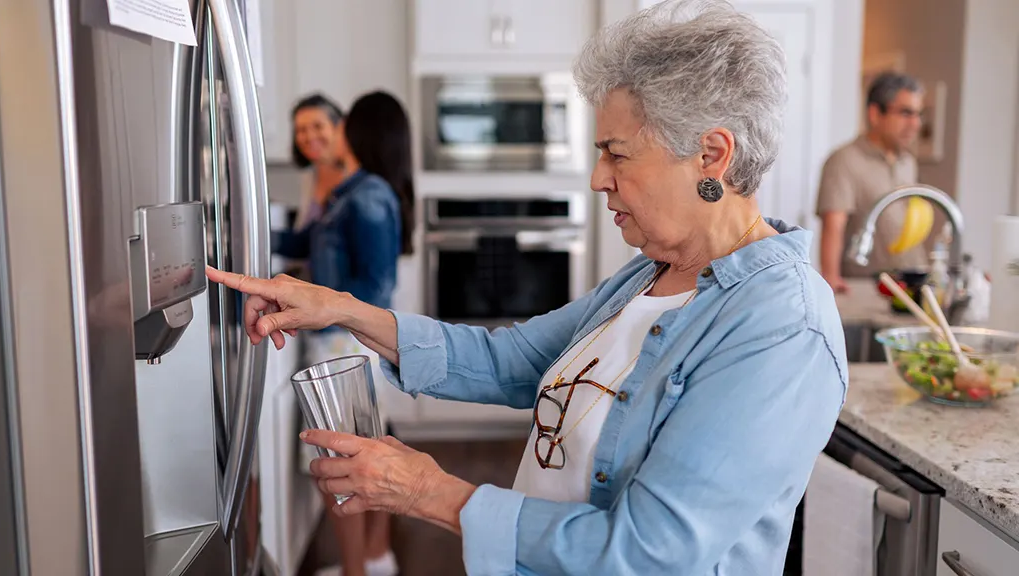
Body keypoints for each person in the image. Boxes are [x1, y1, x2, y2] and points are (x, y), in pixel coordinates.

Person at [210, 2, 846, 573]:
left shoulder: (781, 326)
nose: (598, 178)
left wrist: (430, 492)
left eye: (617, 154)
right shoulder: (648, 273)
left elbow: (652, 550)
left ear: (711, 156)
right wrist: (338, 307)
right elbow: (507, 361)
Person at [273, 91, 415, 576]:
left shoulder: (368, 195)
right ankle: (373, 560)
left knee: (346, 471)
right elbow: (305, 243)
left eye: (341, 123)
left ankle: (358, 569)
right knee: (359, 460)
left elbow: (375, 287)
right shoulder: (348, 192)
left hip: (347, 345)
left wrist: (316, 301)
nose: (331, 132)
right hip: (338, 341)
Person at [816, 72, 925, 293]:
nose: (915, 124)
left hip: (910, 286)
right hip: (868, 289)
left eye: (918, 114)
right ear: (875, 114)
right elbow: (833, 226)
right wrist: (830, 280)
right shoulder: (844, 160)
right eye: (905, 113)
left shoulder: (908, 162)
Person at [290, 94, 347, 235]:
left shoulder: (355, 178)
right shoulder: (309, 176)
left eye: (318, 126)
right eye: (301, 130)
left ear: (338, 128)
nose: (309, 136)